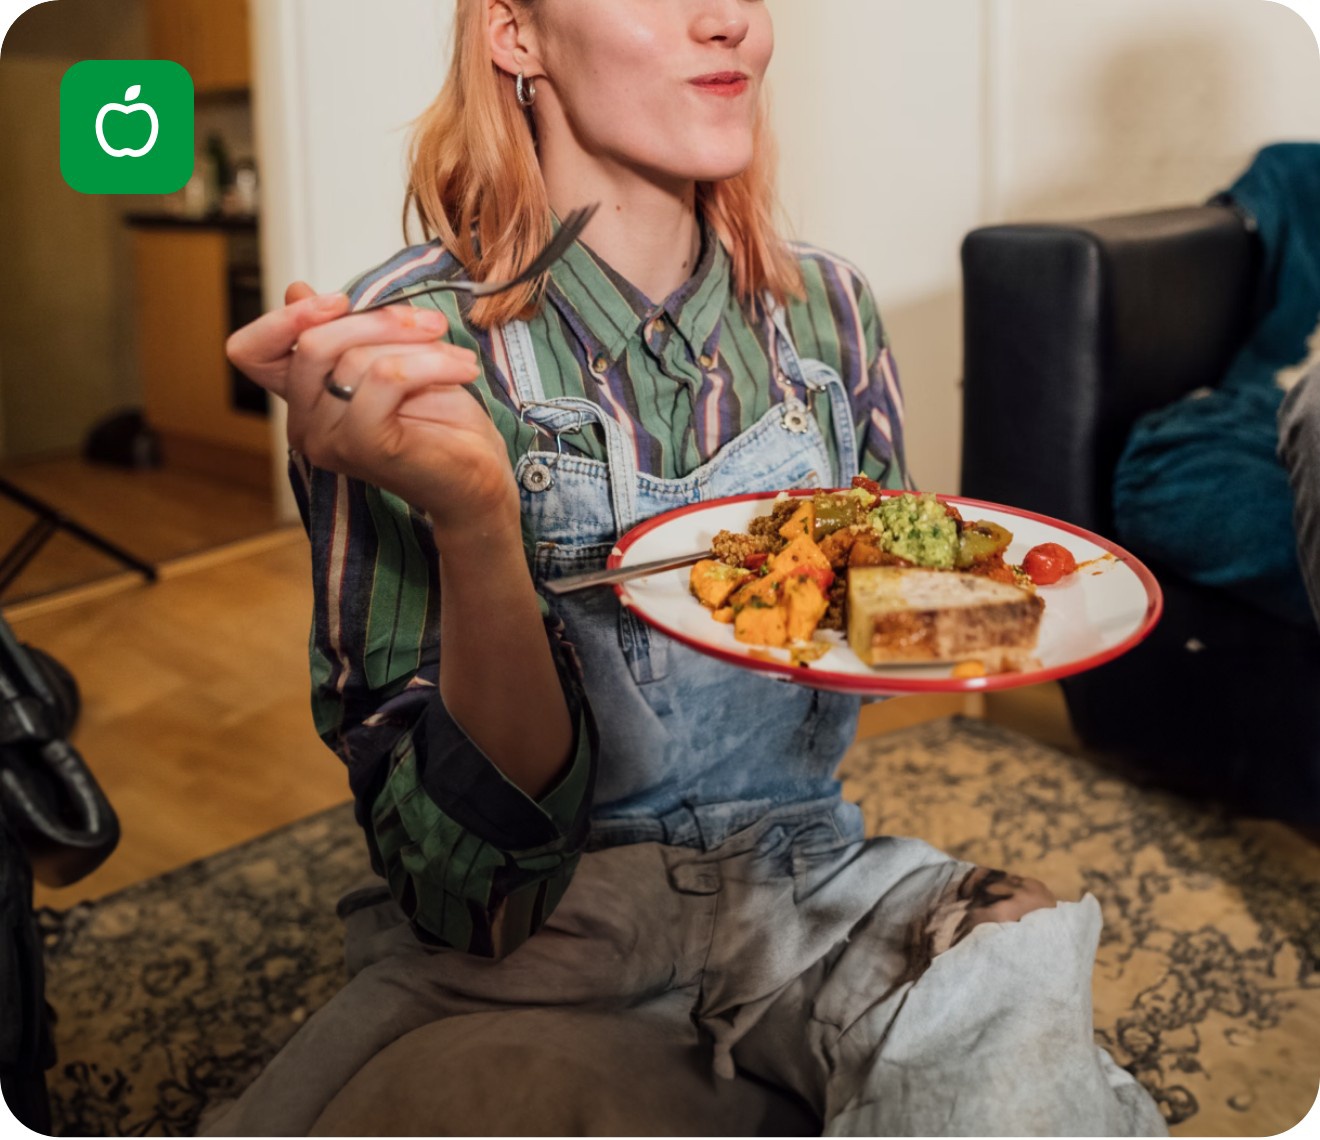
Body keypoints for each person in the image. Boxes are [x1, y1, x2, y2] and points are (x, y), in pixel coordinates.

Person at [206, 0, 1168, 1134]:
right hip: (546, 931)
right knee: (440, 1100)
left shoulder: (836, 317)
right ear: (514, 33)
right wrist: (477, 523)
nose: (734, 23)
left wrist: (976, 605)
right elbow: (465, 895)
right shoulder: (402, 350)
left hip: (805, 883)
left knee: (1013, 958)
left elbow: (887, 631)